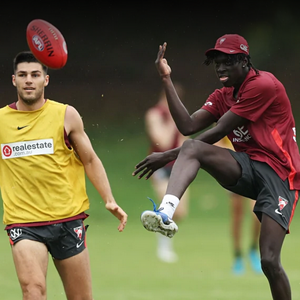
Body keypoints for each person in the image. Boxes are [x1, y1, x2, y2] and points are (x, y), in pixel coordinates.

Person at [133, 34, 300, 300]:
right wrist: (165, 78)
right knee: (191, 147)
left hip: (280, 175)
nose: (220, 68)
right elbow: (188, 126)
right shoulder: (223, 95)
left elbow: (220, 129)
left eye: (227, 62)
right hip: (247, 166)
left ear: (245, 61)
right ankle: (166, 212)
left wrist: (166, 156)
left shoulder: (263, 85)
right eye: (216, 63)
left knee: (269, 260)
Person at [1, 51, 128, 300]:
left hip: (67, 219)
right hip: (23, 222)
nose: (29, 80)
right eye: (23, 75)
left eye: (35, 75)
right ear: (13, 80)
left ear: (45, 80)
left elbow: (89, 159)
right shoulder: (1, 121)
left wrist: (109, 198)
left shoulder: (66, 115)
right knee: (33, 290)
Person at [145, 82, 190, 263]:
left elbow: (184, 144)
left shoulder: (180, 117)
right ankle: (164, 248)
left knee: (180, 212)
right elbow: (161, 142)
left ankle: (162, 236)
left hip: (177, 167)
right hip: (160, 167)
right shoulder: (154, 115)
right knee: (167, 207)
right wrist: (173, 120)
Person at [214, 136, 262, 275]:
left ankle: (253, 249)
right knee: (237, 216)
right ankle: (237, 256)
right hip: (234, 170)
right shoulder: (227, 117)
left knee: (257, 212)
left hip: (254, 169)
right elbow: (217, 142)